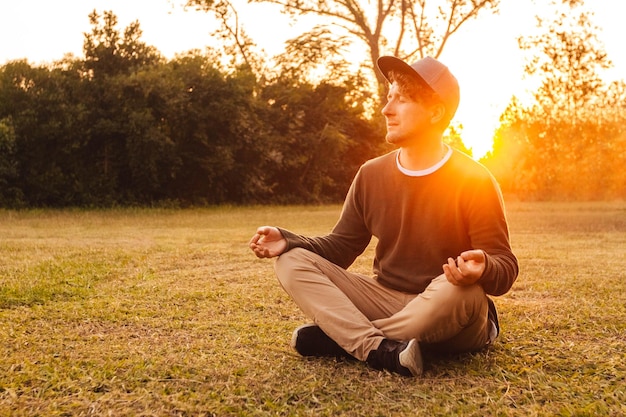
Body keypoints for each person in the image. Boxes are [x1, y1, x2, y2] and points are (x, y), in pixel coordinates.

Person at [249, 55, 519, 377]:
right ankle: (380, 350)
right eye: (388, 97)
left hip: (450, 307)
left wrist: (484, 267)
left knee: (456, 291)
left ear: (435, 112)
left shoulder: (474, 179)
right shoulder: (371, 174)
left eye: (401, 100)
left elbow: (505, 265)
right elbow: (341, 247)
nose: (386, 109)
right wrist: (290, 240)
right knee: (291, 261)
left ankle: (343, 339)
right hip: (385, 297)